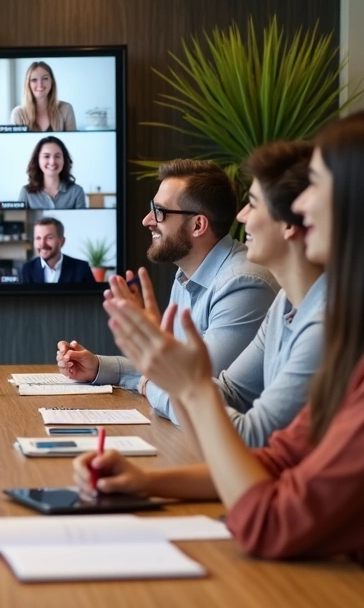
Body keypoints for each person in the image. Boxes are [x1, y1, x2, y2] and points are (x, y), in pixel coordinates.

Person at [76, 109, 364, 608]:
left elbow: (271, 524)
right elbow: (278, 462)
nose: (302, 204)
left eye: (318, 183)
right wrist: (144, 482)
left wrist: (191, 389)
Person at [115, 142, 325, 447]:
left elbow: (248, 430)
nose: (241, 216)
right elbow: (227, 393)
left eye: (253, 203)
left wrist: (159, 380)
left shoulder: (253, 285)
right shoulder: (284, 303)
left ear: (293, 223)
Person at [57, 159, 279, 424]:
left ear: (198, 225)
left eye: (159, 212)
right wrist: (100, 368)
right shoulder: (186, 273)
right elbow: (171, 373)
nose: (147, 220)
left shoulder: (243, 284)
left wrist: (151, 384)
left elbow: (191, 388)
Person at [18, 135, 87, 209]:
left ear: (64, 160)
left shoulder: (77, 191)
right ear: (37, 160)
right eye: (46, 156)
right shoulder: (26, 192)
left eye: (57, 156)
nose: (52, 162)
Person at [17, 216, 92, 283]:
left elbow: (93, 297)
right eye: (38, 238)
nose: (42, 244)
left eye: (49, 238)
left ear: (62, 241)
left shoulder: (81, 268)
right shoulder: (26, 269)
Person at [8, 61, 76, 131]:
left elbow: (73, 141)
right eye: (34, 80)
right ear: (28, 84)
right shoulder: (18, 113)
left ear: (52, 82)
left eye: (45, 78)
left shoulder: (66, 109)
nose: (40, 84)